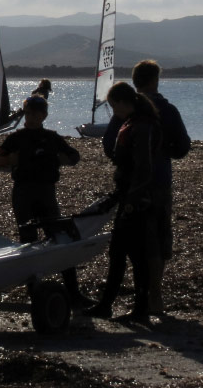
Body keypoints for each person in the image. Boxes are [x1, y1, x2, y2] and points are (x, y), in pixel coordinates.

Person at [99, 59, 190, 317]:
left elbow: (109, 146)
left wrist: (125, 160)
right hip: (158, 182)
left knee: (133, 243)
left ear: (136, 81)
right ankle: (154, 296)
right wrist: (162, 151)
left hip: (134, 185)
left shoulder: (128, 110)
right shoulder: (165, 110)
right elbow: (183, 147)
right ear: (155, 80)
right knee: (156, 240)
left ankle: (136, 302)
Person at [0, 94, 92, 307]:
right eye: (28, 113)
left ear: (44, 116)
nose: (31, 117)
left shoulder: (52, 137)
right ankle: (34, 291)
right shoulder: (17, 137)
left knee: (61, 239)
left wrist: (57, 159)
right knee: (28, 242)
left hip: (46, 192)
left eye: (36, 114)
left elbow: (74, 157)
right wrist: (9, 160)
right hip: (23, 193)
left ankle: (73, 292)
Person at [85, 81, 161, 323]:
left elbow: (144, 167)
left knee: (130, 253)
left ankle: (133, 308)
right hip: (129, 195)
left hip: (136, 199)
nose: (113, 111)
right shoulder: (134, 123)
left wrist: (132, 199)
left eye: (113, 106)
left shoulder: (142, 126)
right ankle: (112, 305)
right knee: (122, 252)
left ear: (121, 102)